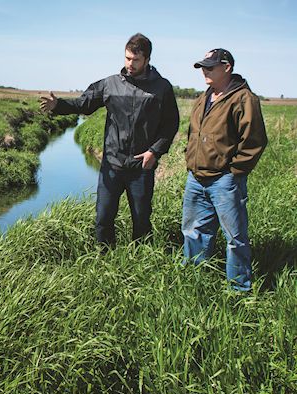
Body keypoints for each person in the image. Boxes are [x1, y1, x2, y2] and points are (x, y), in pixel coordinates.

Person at [40, 33, 179, 246]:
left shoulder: (162, 88)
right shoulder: (110, 84)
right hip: (112, 165)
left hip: (141, 166)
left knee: (141, 219)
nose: (130, 64)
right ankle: (104, 258)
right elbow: (83, 104)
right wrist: (58, 106)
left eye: (136, 60)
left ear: (148, 60)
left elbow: (170, 124)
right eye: (127, 58)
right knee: (103, 218)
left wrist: (155, 151)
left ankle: (140, 262)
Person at [182, 48, 268, 291]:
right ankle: (193, 281)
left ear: (227, 67)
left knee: (235, 239)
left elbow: (254, 141)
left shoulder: (244, 98)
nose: (205, 72)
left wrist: (234, 172)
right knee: (194, 231)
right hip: (196, 178)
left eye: (210, 67)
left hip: (225, 181)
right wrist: (191, 159)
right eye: (203, 67)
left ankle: (239, 290)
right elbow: (194, 134)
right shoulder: (204, 97)